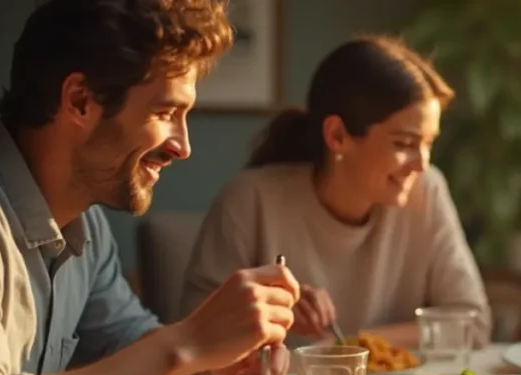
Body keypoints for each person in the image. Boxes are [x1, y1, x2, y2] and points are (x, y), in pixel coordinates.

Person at [0, 1, 300, 375]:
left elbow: (125, 344)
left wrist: (214, 368)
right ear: (80, 100)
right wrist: (189, 344)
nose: (183, 145)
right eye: (164, 113)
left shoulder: (84, 226)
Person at [181, 36, 489, 348]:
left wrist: (351, 346)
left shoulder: (427, 191)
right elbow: (193, 345)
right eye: (404, 144)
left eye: (428, 143)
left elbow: (474, 324)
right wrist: (265, 314)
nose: (422, 165)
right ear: (338, 136)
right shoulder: (250, 201)